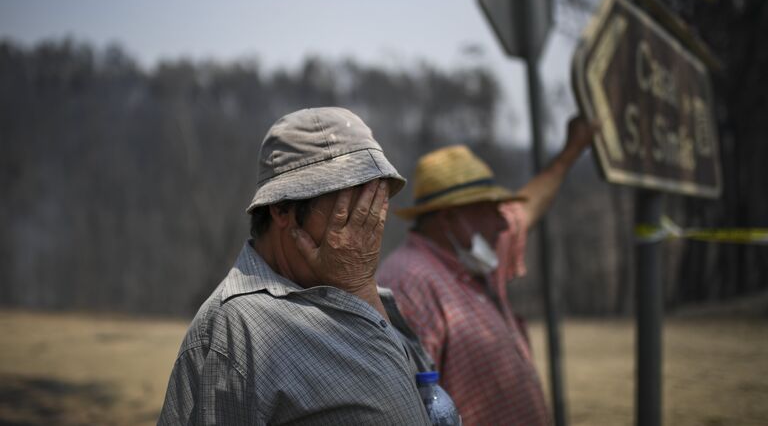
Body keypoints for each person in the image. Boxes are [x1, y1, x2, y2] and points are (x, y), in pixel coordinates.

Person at [158, 107, 432, 425]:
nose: (369, 221)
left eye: (373, 201)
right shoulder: (234, 330)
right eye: (351, 206)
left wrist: (361, 287)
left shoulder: (364, 290)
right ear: (282, 209)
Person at [377, 116, 598, 425]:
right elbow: (407, 408)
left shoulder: (475, 258)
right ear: (450, 218)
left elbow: (528, 208)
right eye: (489, 211)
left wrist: (571, 151)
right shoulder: (408, 284)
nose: (503, 222)